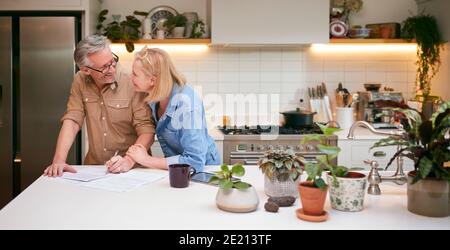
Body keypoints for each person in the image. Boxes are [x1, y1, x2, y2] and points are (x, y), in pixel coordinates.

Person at [44, 35, 156, 177]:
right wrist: (59, 160)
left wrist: (128, 160)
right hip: (95, 169)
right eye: (104, 67)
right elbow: (72, 120)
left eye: (112, 61)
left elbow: (146, 129)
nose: (111, 69)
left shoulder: (132, 81)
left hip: (133, 170)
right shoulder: (80, 80)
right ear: (86, 70)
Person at [126, 47, 220, 172]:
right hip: (178, 170)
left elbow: (195, 162)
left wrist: (146, 160)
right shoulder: (155, 96)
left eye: (135, 74)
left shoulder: (187, 106)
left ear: (152, 80)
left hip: (205, 170)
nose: (130, 76)